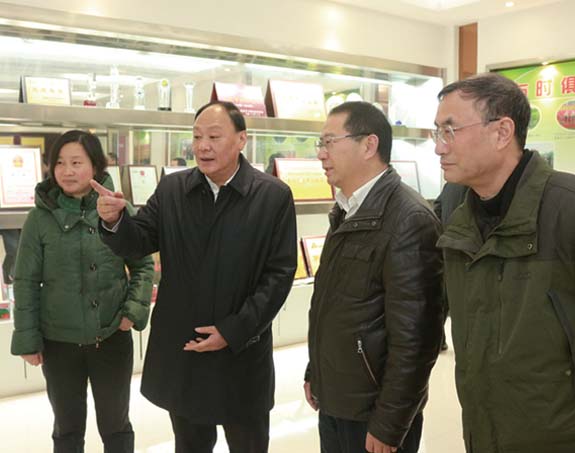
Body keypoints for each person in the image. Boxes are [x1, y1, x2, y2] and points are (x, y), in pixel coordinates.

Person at [91, 100, 297, 453]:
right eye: (197, 136)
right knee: (189, 444)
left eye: (214, 136)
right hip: (186, 349)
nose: (203, 146)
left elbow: (278, 275)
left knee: (248, 443)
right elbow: (139, 240)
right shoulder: (173, 189)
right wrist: (114, 220)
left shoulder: (272, 196)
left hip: (241, 352)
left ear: (242, 139)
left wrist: (232, 331)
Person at [433, 72, 575, 453]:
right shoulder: (460, 219)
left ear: (502, 132)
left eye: (450, 131)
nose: (439, 148)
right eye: (437, 132)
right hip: (486, 432)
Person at [304, 101, 444, 453]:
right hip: (337, 399)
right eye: (320, 143)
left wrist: (390, 423)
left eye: (329, 142)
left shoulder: (409, 219)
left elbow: (416, 340)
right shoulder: (347, 209)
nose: (321, 154)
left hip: (374, 413)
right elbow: (334, 306)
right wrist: (315, 372)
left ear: (369, 145)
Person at [10, 130, 154, 453]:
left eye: (76, 162)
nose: (67, 171)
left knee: (116, 426)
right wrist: (28, 338)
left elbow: (144, 265)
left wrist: (131, 313)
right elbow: (26, 281)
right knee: (67, 429)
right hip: (59, 343)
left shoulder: (117, 209)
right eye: (60, 163)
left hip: (111, 337)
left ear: (96, 166)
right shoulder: (39, 219)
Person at [432, 182, 467, 351]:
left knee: (445, 296)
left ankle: (439, 340)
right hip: (470, 250)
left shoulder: (450, 186)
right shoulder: (477, 183)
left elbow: (437, 212)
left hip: (448, 247)